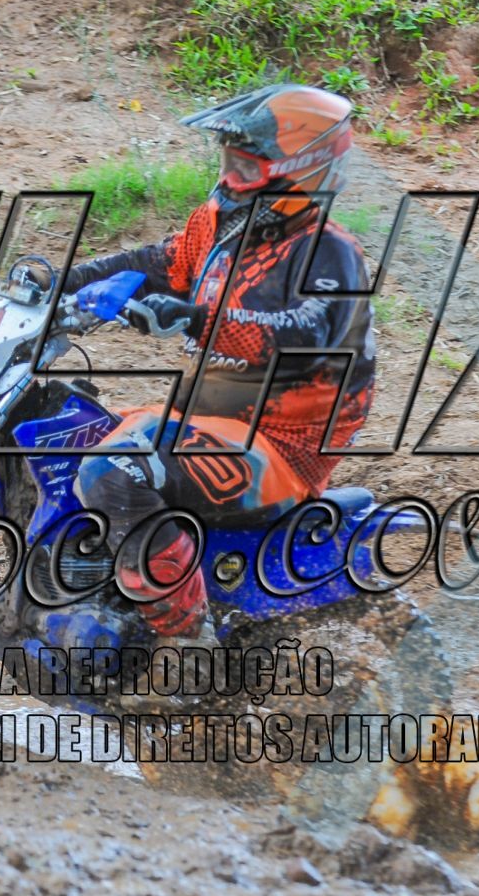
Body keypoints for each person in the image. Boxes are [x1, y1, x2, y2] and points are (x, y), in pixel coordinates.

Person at [65, 83, 378, 641]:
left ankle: (188, 640)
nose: (230, 177)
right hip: (211, 423)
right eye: (228, 161)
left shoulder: (330, 251)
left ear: (297, 171)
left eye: (246, 166)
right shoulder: (223, 225)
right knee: (67, 431)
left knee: (112, 471)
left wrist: (196, 318)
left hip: (280, 447)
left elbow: (307, 334)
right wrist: (51, 282)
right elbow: (153, 263)